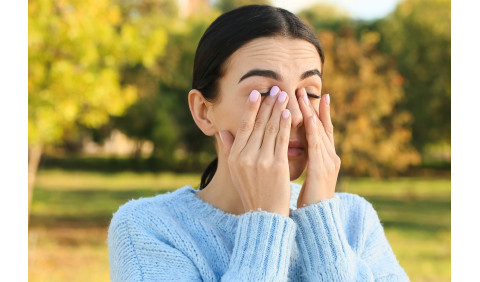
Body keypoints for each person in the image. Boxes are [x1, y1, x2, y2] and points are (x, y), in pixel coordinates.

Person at [108, 5, 409, 281]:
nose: (293, 115)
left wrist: (322, 222)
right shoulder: (148, 229)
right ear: (204, 112)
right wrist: (266, 222)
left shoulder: (354, 220)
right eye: (265, 93)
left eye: (310, 93)